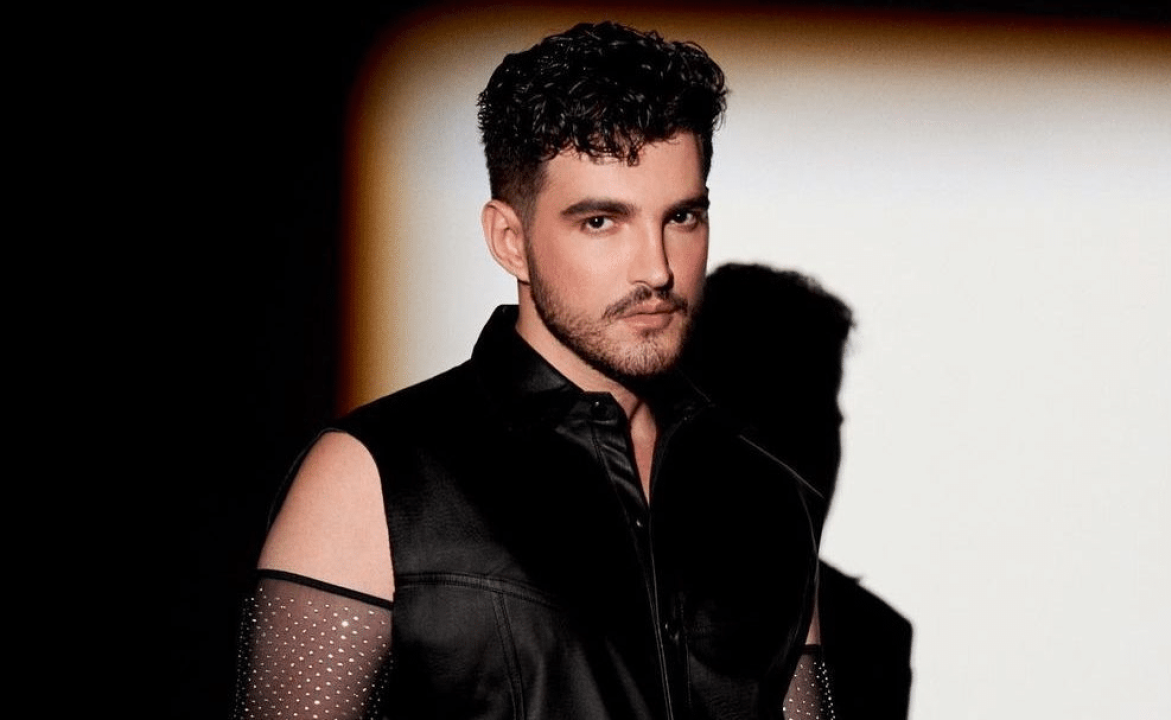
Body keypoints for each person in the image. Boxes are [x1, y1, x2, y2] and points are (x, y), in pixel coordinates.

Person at [232, 22, 827, 720]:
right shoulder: (374, 476)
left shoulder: (770, 498)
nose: (658, 268)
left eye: (682, 217)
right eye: (601, 221)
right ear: (509, 240)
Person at [682, 263, 914, 720]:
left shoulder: (873, 640)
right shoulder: (603, 609)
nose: (813, 460)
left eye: (824, 424)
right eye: (784, 421)